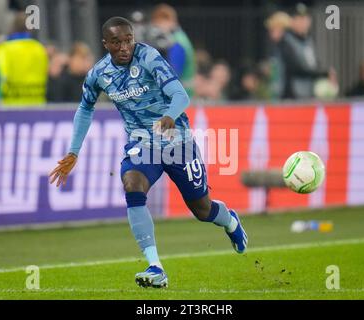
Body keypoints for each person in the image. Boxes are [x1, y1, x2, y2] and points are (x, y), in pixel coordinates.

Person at [48, 17, 248, 288]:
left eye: (128, 39)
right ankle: (155, 266)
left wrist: (168, 116)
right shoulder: (99, 74)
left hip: (178, 142)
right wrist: (73, 151)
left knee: (202, 210)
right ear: (105, 44)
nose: (124, 47)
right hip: (142, 145)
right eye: (116, 42)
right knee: (132, 184)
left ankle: (230, 221)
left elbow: (181, 96)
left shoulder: (148, 57)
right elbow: (85, 109)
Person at [280, 3, 336, 99]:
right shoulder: (286, 41)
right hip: (294, 93)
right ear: (292, 21)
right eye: (299, 19)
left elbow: (312, 63)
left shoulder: (308, 40)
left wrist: (325, 73)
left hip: (309, 91)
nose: (303, 22)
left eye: (305, 19)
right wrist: (323, 74)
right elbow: (297, 68)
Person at [0, 11, 48, 106]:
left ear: (13, 27)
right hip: (37, 104)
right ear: (30, 29)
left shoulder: (4, 49)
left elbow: (1, 77)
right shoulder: (39, 48)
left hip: (12, 105)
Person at [151, 3, 196, 98]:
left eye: (159, 24)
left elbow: (173, 74)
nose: (157, 28)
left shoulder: (176, 43)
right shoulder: (181, 38)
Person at [264, 11, 291, 100]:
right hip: (278, 92)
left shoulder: (287, 46)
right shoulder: (276, 46)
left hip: (286, 94)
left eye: (273, 29)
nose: (270, 32)